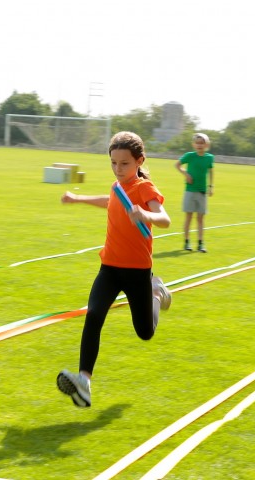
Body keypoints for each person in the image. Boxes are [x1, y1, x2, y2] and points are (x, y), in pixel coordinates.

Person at [56, 131, 172, 408]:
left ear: (139, 161)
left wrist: (145, 215)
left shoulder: (145, 188)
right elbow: (111, 202)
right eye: (114, 163)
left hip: (137, 271)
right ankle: (84, 381)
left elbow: (165, 219)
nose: (119, 169)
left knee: (145, 332)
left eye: (125, 164)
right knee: (94, 314)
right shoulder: (116, 187)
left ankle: (157, 293)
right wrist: (78, 199)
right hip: (109, 266)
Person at [175, 133, 214, 252]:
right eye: (197, 143)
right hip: (190, 191)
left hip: (202, 191)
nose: (199, 145)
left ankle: (200, 244)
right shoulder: (189, 156)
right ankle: (187, 243)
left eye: (202, 143)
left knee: (200, 219)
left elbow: (211, 172)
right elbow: (177, 165)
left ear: (206, 145)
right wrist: (186, 174)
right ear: (193, 144)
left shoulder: (209, 158)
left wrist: (211, 186)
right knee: (189, 217)